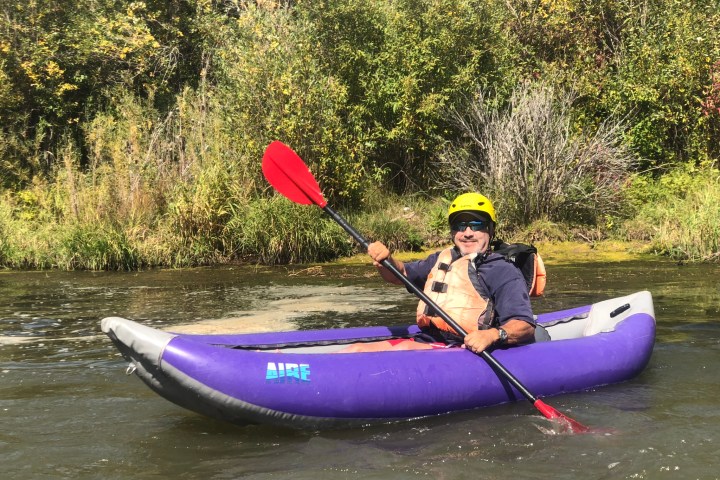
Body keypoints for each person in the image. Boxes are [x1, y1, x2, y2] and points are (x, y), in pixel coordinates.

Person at [340, 192, 539, 354]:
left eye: (476, 225)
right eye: (460, 225)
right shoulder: (442, 259)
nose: (467, 232)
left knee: (403, 348)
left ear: (490, 229)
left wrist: (493, 335)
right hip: (429, 340)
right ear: (453, 232)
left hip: (464, 349)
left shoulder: (502, 270)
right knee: (356, 349)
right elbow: (400, 273)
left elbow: (524, 325)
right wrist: (385, 261)